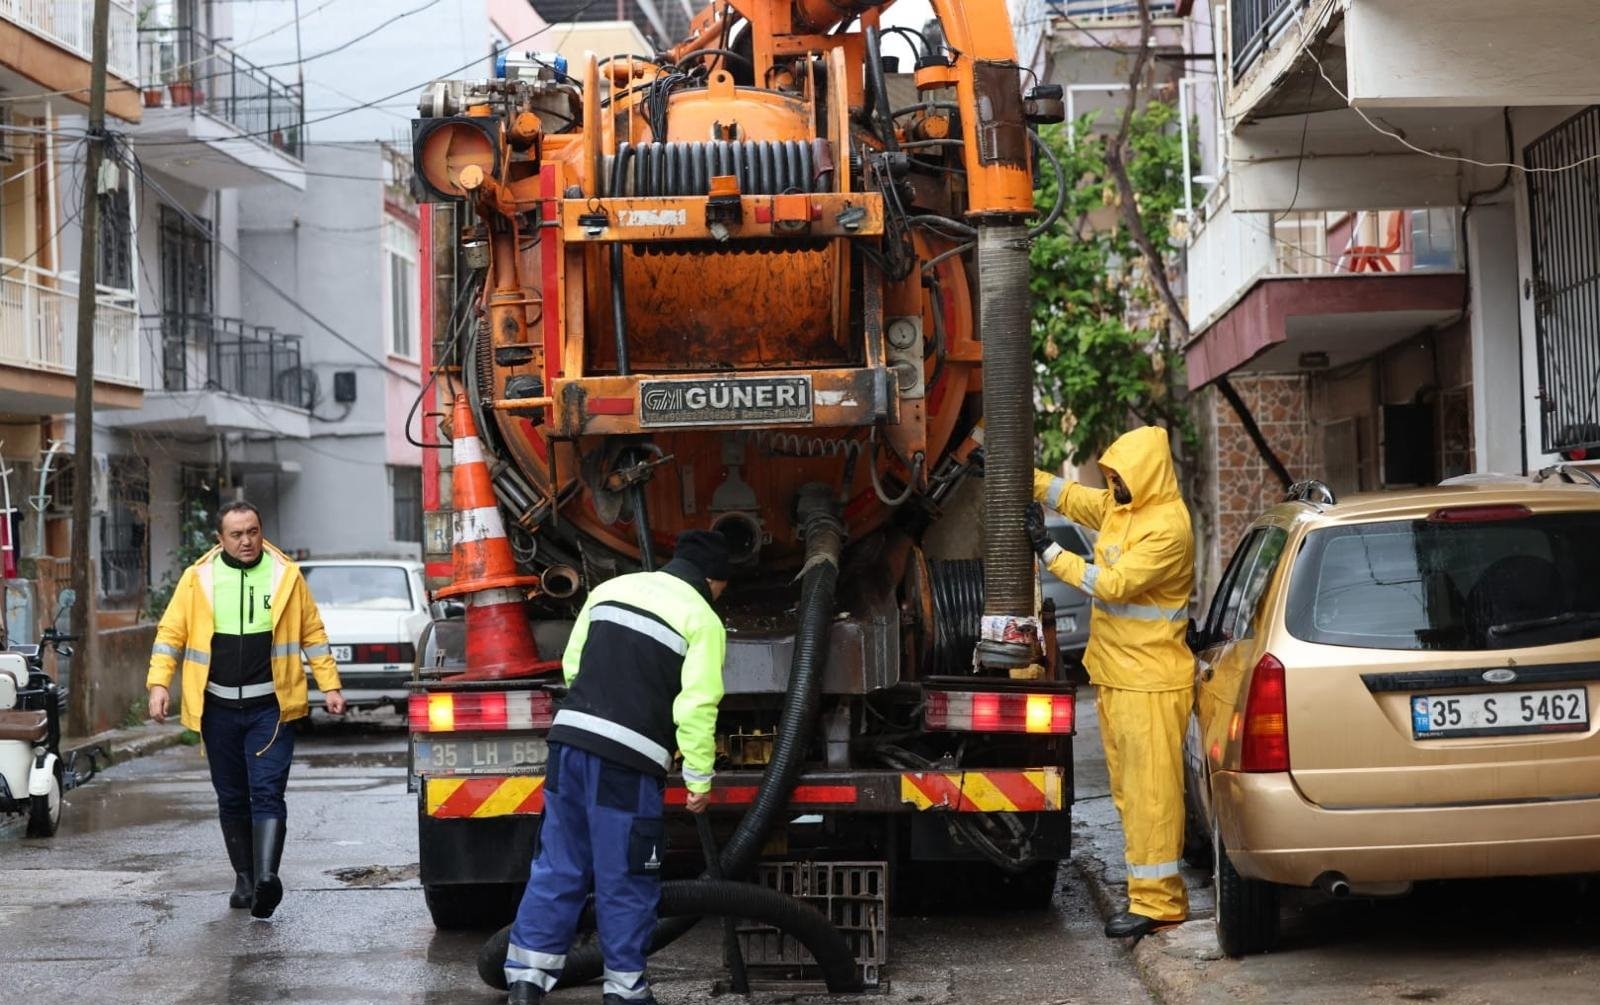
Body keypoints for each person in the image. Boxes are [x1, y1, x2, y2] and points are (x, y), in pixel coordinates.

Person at [504, 529, 731, 1005]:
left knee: (557, 863)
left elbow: (572, 664)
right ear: (716, 582)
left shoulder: (610, 590)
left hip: (568, 743)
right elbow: (696, 706)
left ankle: (526, 982)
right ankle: (625, 990)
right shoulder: (702, 618)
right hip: (627, 762)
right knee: (624, 874)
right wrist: (698, 778)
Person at [1025, 426, 1194, 939]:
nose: (1113, 485)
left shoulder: (1167, 528)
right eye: (1111, 476)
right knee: (1129, 794)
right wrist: (1018, 476)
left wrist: (1049, 550)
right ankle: (1144, 892)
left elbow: (1114, 583)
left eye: (1121, 478)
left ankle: (1160, 903)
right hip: (1119, 676)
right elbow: (1071, 496)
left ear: (1145, 475)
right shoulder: (1125, 509)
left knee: (1152, 797)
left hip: (1152, 681)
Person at [146, 500, 346, 919]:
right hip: (216, 708)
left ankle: (266, 879)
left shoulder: (285, 575)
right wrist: (159, 683)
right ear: (220, 539)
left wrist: (330, 685)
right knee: (232, 795)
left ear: (261, 530)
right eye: (236, 534)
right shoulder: (197, 578)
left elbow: (313, 633)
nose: (246, 541)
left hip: (270, 708)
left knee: (268, 792)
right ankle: (244, 878)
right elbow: (170, 633)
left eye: (252, 531)